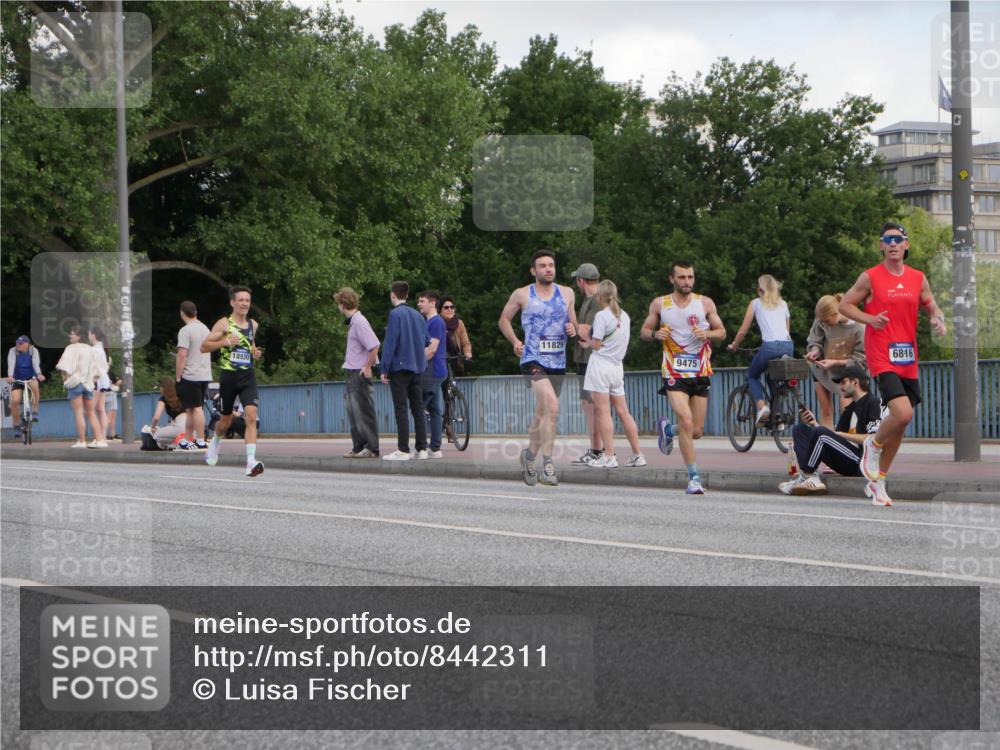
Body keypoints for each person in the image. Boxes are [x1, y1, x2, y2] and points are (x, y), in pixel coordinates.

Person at [839, 222, 947, 506]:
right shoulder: (871, 277)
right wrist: (870, 320)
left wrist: (937, 318)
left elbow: (931, 304)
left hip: (908, 357)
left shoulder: (917, 278)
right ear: (881, 245)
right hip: (882, 355)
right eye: (888, 239)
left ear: (906, 245)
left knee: (899, 426)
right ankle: (872, 445)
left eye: (898, 239)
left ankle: (879, 483)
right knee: (902, 414)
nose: (893, 244)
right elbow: (845, 305)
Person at [640, 261, 726, 495]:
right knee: (686, 421)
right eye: (682, 277)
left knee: (696, 430)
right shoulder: (661, 303)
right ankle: (694, 478)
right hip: (673, 371)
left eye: (690, 277)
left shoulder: (704, 303)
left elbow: (722, 332)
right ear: (672, 279)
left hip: (700, 371)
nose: (687, 282)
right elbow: (644, 331)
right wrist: (656, 334)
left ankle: (668, 431)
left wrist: (706, 333)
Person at [499, 249, 578, 487]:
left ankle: (529, 455)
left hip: (558, 361)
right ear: (534, 271)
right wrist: (515, 342)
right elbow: (503, 319)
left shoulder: (567, 293)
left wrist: (574, 329)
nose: (548, 269)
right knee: (553, 408)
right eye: (543, 265)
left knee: (542, 412)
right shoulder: (522, 294)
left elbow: (572, 322)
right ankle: (548, 464)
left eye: (551, 265)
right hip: (532, 359)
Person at [778, 365, 883, 496]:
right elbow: (834, 439)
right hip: (847, 459)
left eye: (843, 382)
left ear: (855, 382)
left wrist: (836, 434)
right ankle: (809, 477)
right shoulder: (851, 408)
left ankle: (808, 476)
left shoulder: (873, 403)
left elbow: (874, 439)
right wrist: (814, 424)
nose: (841, 387)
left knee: (821, 433)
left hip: (861, 462)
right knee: (800, 429)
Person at [577, 280, 645, 468]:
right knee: (623, 411)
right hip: (617, 366)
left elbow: (597, 344)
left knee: (603, 411)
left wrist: (587, 342)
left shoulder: (601, 316)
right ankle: (637, 454)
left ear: (600, 297)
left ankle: (608, 456)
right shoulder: (625, 316)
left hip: (601, 365)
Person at [201, 286, 264, 476]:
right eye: (241, 300)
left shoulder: (253, 325)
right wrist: (226, 342)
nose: (245, 303)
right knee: (225, 421)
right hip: (228, 377)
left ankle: (250, 462)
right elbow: (204, 347)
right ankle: (215, 440)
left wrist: (254, 352)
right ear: (232, 302)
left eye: (247, 300)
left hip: (247, 376)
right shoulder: (224, 324)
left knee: (251, 416)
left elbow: (249, 345)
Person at [726, 274, 793, 424]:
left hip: (769, 347)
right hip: (788, 346)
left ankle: (762, 407)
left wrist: (734, 345)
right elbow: (787, 330)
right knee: (772, 376)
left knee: (752, 376)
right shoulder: (783, 304)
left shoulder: (756, 303)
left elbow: (743, 330)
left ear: (759, 290)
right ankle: (778, 413)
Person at [380, 281, 430, 461]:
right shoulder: (418, 315)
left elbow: (390, 343)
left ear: (393, 295)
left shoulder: (395, 315)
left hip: (400, 368)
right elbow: (426, 341)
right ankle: (422, 448)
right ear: (407, 295)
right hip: (418, 367)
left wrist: (384, 368)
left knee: (401, 408)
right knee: (418, 408)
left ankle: (403, 449)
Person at [805, 293, 867, 428]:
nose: (824, 324)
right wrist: (815, 351)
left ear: (835, 313)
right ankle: (827, 443)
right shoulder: (821, 319)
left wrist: (836, 362)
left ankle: (847, 443)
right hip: (822, 368)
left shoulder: (859, 327)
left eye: (827, 321)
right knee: (826, 410)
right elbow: (815, 339)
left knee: (847, 410)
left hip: (845, 370)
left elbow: (861, 359)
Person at [335, 287, 380, 458]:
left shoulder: (359, 322)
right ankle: (359, 446)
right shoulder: (355, 322)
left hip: (359, 373)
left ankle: (371, 447)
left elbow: (374, 345)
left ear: (342, 304)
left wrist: (367, 366)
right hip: (352, 372)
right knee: (354, 412)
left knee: (363, 411)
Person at [570, 262, 604, 465]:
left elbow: (587, 329)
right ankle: (597, 449)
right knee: (590, 405)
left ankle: (598, 450)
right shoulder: (590, 300)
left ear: (580, 281)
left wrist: (568, 325)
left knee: (593, 406)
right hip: (586, 359)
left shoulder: (596, 301)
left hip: (591, 359)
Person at [55, 326, 104, 448]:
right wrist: (93, 379)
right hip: (88, 384)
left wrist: (66, 378)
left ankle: (82, 441)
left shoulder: (70, 348)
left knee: (78, 412)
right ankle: (99, 440)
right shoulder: (90, 349)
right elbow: (97, 369)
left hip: (75, 382)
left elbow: (63, 366)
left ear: (79, 336)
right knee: (91, 412)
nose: (70, 336)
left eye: (72, 334)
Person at [175, 300, 212, 451]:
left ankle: (200, 440)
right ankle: (186, 439)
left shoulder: (186, 330)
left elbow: (182, 355)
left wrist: (178, 376)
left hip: (190, 375)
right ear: (195, 312)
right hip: (204, 373)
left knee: (196, 408)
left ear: (182, 313)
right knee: (190, 409)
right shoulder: (205, 329)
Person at [418, 289, 447, 459]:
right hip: (437, 371)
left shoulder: (435, 322)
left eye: (422, 301)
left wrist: (414, 361)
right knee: (435, 410)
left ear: (432, 303)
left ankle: (421, 448)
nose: (419, 304)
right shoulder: (428, 322)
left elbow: (432, 349)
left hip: (432, 371)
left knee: (418, 408)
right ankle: (435, 448)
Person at [6, 335, 44, 437]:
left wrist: (39, 374)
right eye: (17, 343)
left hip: (30, 377)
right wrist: (10, 376)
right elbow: (11, 363)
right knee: (15, 401)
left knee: (35, 388)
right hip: (17, 378)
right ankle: (17, 426)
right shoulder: (13, 351)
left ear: (27, 344)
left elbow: (36, 363)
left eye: (21, 343)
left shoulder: (33, 351)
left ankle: (35, 411)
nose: (18, 345)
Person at [143, 377, 189, 449]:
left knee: (156, 435)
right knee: (169, 428)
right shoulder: (181, 394)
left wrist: (152, 427)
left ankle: (178, 442)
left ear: (163, 388)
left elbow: (156, 417)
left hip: (180, 426)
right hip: (191, 426)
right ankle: (183, 441)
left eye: (160, 387)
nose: (160, 390)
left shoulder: (163, 398)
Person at [437, 295, 472, 372]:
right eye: (446, 307)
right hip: (439, 361)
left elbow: (465, 342)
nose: (449, 309)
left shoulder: (459, 323)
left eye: (452, 307)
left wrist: (467, 353)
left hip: (455, 360)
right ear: (440, 310)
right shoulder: (436, 322)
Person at [88, 326, 111, 441]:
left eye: (89, 334)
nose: (88, 336)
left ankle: (98, 437)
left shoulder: (94, 350)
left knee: (90, 410)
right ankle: (103, 435)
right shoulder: (102, 348)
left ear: (93, 335)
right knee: (100, 409)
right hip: (104, 380)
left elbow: (93, 368)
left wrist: (92, 380)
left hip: (97, 380)